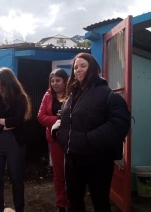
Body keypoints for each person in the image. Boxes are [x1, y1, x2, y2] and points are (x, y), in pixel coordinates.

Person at [52, 52, 131, 212]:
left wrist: (89, 140)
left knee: (100, 202)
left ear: (93, 68)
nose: (78, 70)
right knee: (74, 201)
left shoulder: (106, 94)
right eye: (75, 67)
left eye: (83, 66)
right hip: (73, 159)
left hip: (98, 160)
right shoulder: (72, 95)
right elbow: (68, 119)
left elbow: (119, 124)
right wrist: (58, 130)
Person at [0, 67, 31, 212]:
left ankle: (19, 208)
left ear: (9, 82)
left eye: (1, 83)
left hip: (15, 143)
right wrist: (3, 124)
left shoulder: (20, 98)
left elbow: (17, 120)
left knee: (16, 179)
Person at [37, 68, 69, 212]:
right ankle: (61, 203)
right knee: (58, 173)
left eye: (58, 80)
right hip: (55, 139)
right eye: (52, 81)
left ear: (65, 81)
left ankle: (73, 200)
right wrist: (61, 119)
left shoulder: (73, 94)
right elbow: (41, 117)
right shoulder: (48, 95)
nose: (55, 83)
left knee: (73, 172)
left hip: (73, 139)